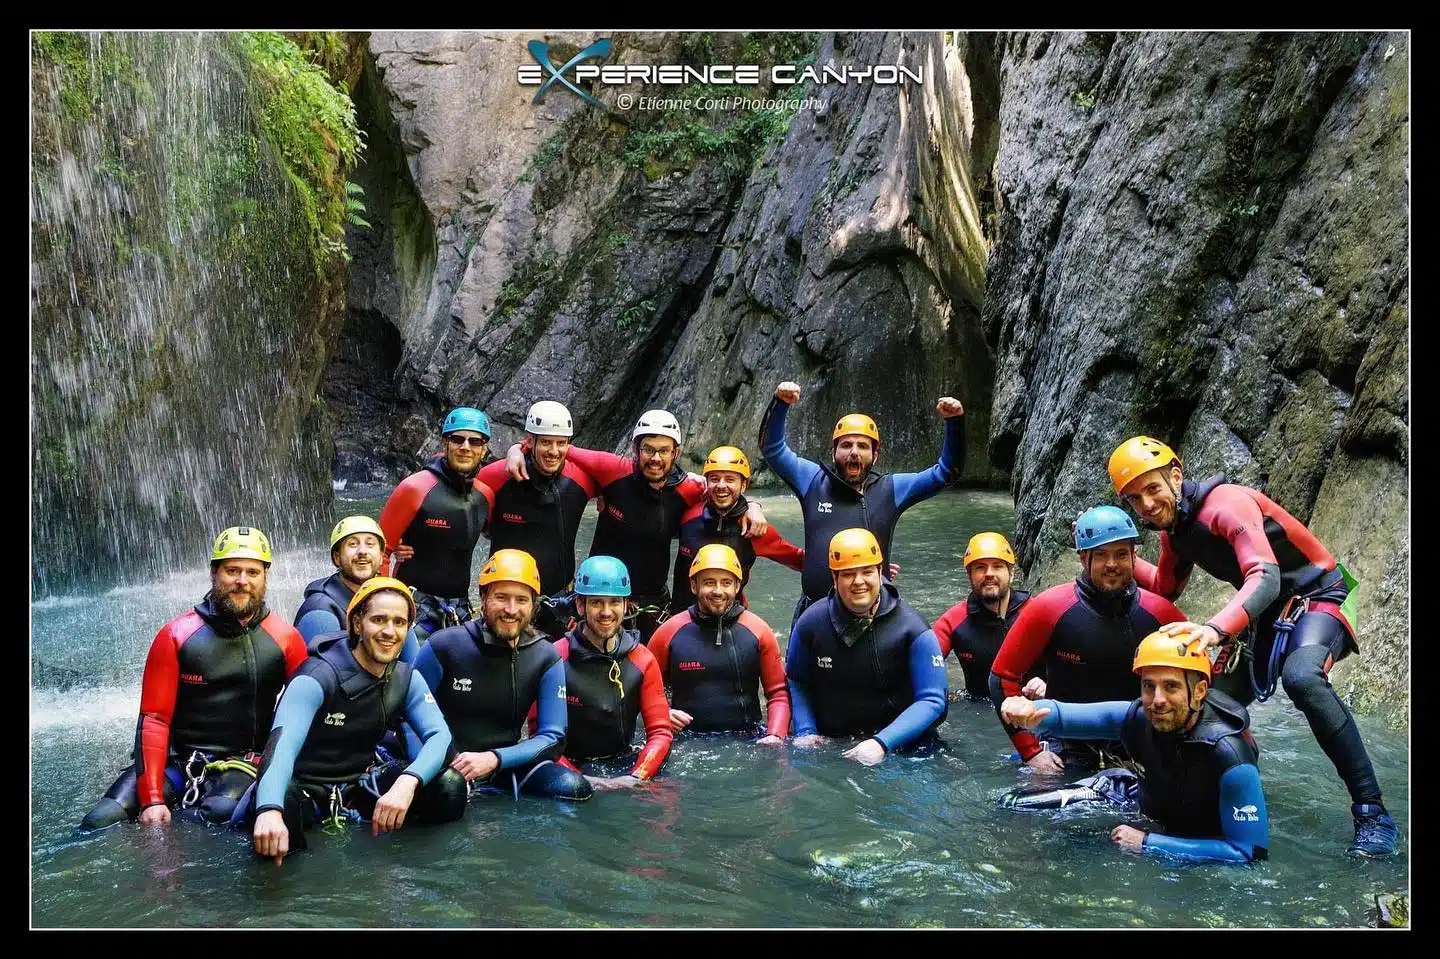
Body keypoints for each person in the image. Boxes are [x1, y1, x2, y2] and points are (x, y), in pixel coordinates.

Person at [1108, 434, 1398, 856]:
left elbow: (1266, 576)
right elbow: (1165, 586)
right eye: (1135, 500)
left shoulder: (1226, 504)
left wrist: (1215, 629)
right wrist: (1117, 555)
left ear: (1175, 475)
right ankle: (1224, 797)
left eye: (1152, 488)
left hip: (1319, 594)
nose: (1147, 504)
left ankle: (1373, 813)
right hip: (1264, 612)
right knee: (1208, 701)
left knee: (1303, 678)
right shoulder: (1176, 532)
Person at [80, 526, 308, 831]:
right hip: (178, 763)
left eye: (253, 572)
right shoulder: (176, 635)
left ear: (265, 578)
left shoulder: (286, 639)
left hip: (244, 763)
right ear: (214, 574)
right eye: (232, 570)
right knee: (100, 820)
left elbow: (306, 711)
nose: (242, 581)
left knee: (214, 816)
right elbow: (154, 719)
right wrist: (151, 800)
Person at [999, 630, 1269, 864]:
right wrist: (1029, 709)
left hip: (1191, 837)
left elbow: (1248, 852)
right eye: (1149, 686)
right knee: (1011, 804)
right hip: (1135, 798)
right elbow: (1068, 715)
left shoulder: (1230, 756)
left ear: (1198, 691)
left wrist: (1149, 843)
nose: (1157, 700)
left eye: (1171, 686)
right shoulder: (1139, 715)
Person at [249, 577, 467, 865]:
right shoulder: (317, 677)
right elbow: (281, 747)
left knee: (451, 786)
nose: (389, 631)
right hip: (301, 791)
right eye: (379, 619)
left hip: (358, 787)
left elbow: (439, 737)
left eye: (399, 622)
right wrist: (269, 809)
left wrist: (407, 783)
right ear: (356, 624)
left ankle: (411, 870)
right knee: (282, 807)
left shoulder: (405, 678)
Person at [504, 409, 767, 643]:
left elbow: (727, 493)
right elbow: (555, 445)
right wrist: (517, 449)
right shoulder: (612, 470)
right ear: (636, 450)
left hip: (651, 601)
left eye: (664, 451)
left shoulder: (689, 488)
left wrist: (754, 505)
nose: (655, 458)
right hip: (600, 594)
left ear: (676, 453)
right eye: (648, 449)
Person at [989, 506, 1186, 774]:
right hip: (1064, 744)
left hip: (1136, 744)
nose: (1112, 564)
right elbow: (1002, 677)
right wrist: (1031, 752)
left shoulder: (1160, 612)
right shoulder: (1050, 608)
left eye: (1120, 554)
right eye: (1102, 555)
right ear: (1084, 559)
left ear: (1134, 556)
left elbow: (1199, 682)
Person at [760, 380, 966, 622]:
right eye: (846, 445)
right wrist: (780, 404)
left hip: (872, 615)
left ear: (875, 456)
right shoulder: (813, 480)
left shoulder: (891, 489)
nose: (854, 452)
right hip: (814, 615)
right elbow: (772, 449)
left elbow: (945, 473)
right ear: (834, 453)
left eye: (863, 446)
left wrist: (955, 423)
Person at [412, 549, 591, 801]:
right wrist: (440, 764)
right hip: (445, 766)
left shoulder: (545, 657)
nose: (511, 609)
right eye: (501, 597)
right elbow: (406, 720)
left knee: (574, 788)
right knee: (449, 791)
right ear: (483, 597)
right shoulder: (444, 647)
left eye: (521, 600)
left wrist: (494, 759)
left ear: (534, 604)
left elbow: (553, 738)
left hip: (501, 769)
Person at [785, 529, 949, 765]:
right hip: (833, 744)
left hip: (902, 746)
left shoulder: (912, 628)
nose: (859, 581)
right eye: (848, 574)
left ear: (880, 572)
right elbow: (796, 679)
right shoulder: (811, 624)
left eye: (867, 572)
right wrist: (806, 730)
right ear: (834, 578)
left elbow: (933, 700)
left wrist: (882, 743)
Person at [545, 556, 672, 791]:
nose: (606, 612)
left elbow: (660, 732)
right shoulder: (554, 658)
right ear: (580, 605)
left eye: (614, 602)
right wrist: (582, 781)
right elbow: (540, 738)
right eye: (596, 603)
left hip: (627, 768)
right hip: (572, 773)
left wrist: (636, 777)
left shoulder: (642, 660)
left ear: (626, 606)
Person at [475, 401, 598, 636]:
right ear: (530, 441)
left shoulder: (582, 480)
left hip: (559, 603)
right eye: (546, 442)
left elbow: (625, 480)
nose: (553, 451)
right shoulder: (500, 474)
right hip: (507, 601)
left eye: (561, 443)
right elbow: (451, 489)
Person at [648, 544, 790, 742]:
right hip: (688, 740)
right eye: (708, 582)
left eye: (726, 583)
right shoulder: (668, 633)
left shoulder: (758, 631)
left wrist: (775, 735)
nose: (717, 591)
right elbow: (643, 691)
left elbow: (778, 693)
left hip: (748, 739)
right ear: (693, 585)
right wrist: (662, 713)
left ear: (737, 586)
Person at [379, 407, 496, 639]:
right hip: (414, 603)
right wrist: (385, 601)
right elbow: (381, 551)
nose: (465, 447)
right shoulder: (415, 488)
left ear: (483, 450)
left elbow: (498, 535)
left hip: (459, 607)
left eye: (474, 441)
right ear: (445, 443)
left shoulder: (485, 496)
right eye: (457, 439)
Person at [670, 446, 804, 615]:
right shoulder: (688, 517)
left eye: (730, 479)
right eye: (715, 479)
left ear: (743, 485)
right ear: (706, 482)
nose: (721, 485)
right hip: (682, 622)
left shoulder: (755, 529)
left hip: (731, 623)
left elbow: (800, 560)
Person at [293, 516, 420, 664]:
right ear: (337, 557)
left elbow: (414, 665)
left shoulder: (391, 600)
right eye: (353, 544)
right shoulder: (320, 611)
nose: (362, 551)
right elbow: (327, 674)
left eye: (370, 544)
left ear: (380, 557)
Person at [932, 532, 1043, 701]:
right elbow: (920, 661)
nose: (989, 574)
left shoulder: (1038, 613)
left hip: (1033, 708)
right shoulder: (953, 621)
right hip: (977, 708)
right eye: (980, 567)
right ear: (969, 575)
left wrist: (1049, 686)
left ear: (1011, 574)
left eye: (997, 566)